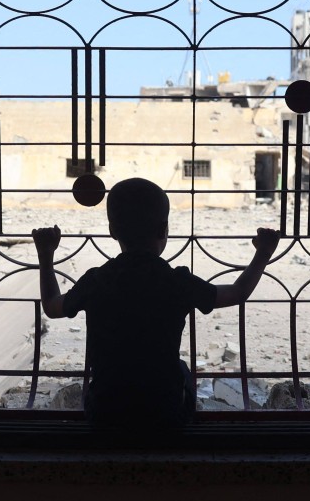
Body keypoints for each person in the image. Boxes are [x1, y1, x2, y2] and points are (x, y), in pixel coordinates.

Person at [32, 177, 280, 430]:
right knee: (180, 369)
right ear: (164, 230)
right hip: (165, 415)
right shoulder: (176, 281)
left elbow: (52, 306)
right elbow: (238, 293)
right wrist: (263, 253)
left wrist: (45, 255)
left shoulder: (97, 280)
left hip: (106, 414)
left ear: (112, 231)